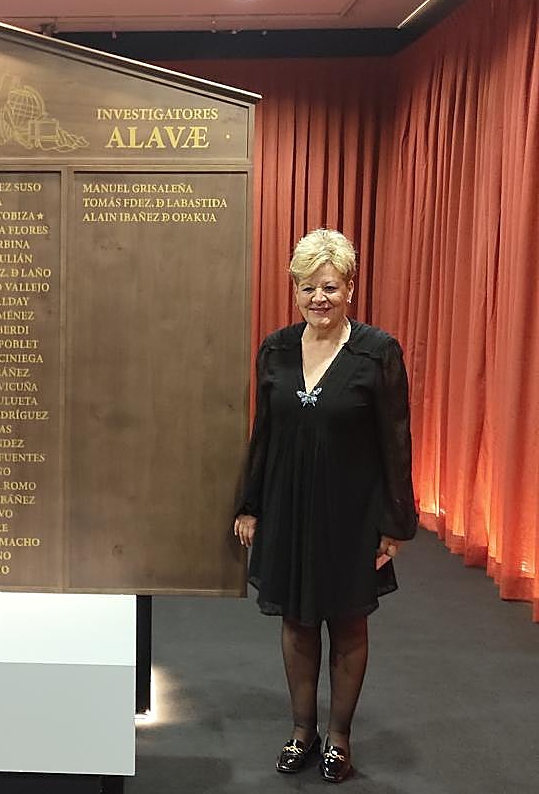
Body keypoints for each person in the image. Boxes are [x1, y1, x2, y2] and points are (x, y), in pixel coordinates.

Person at [233, 228, 418, 783]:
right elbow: (264, 433)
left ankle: (338, 738)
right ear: (294, 290)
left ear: (350, 289)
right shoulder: (275, 349)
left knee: (348, 621)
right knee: (296, 620)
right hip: (287, 506)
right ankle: (302, 731)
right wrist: (250, 505)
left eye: (330, 287)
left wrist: (394, 523)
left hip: (352, 513)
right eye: (308, 287)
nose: (319, 298)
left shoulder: (377, 352)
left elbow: (396, 440)